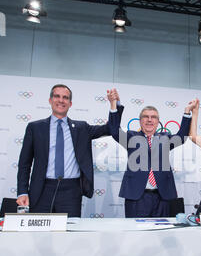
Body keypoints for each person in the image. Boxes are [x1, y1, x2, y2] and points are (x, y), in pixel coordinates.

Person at [17, 85, 123, 217]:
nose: (61, 100)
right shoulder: (35, 127)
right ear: (50, 100)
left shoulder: (81, 128)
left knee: (68, 235)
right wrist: (22, 191)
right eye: (57, 96)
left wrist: (114, 104)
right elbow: (24, 164)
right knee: (38, 234)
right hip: (41, 190)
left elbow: (110, 128)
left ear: (70, 103)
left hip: (71, 192)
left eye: (65, 98)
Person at [108, 90, 197, 218]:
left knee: (160, 235)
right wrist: (114, 105)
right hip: (136, 198)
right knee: (137, 235)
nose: (149, 120)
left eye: (153, 117)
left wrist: (187, 111)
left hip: (162, 197)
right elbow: (114, 130)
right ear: (140, 121)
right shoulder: (131, 137)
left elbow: (182, 137)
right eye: (146, 117)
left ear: (158, 121)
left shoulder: (165, 138)